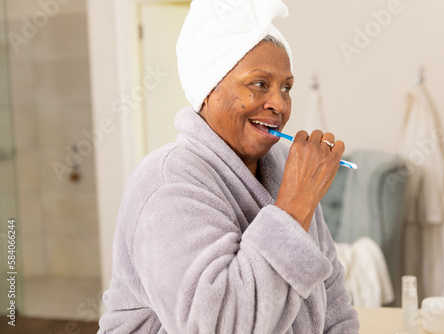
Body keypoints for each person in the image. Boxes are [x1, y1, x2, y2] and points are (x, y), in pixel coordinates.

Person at [98, 0, 359, 333]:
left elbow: (332, 299)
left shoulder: (280, 168)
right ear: (208, 89)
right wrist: (295, 205)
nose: (279, 104)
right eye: (259, 84)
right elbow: (220, 325)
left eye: (286, 88)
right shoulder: (166, 183)